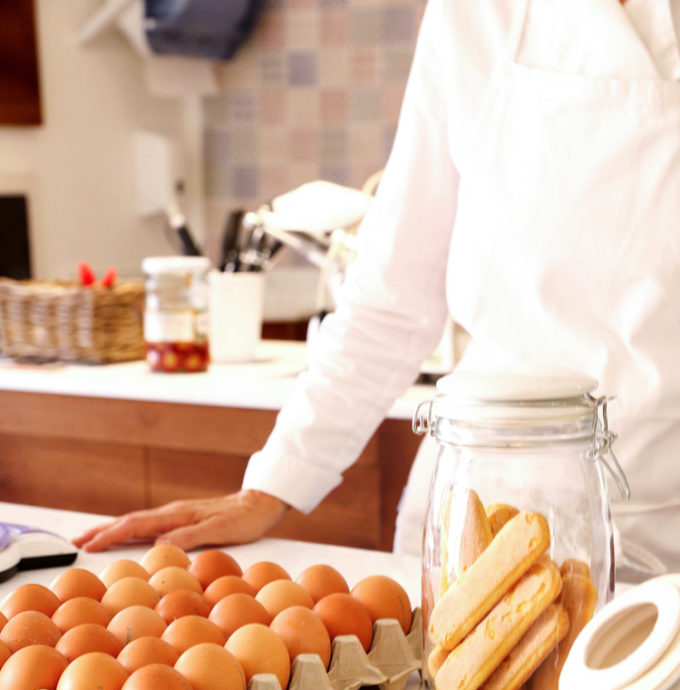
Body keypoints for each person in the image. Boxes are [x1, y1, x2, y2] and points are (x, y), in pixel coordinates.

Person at [75, 0, 680, 576]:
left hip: (668, 533)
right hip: (486, 522)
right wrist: (272, 483)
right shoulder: (475, 13)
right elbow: (391, 297)